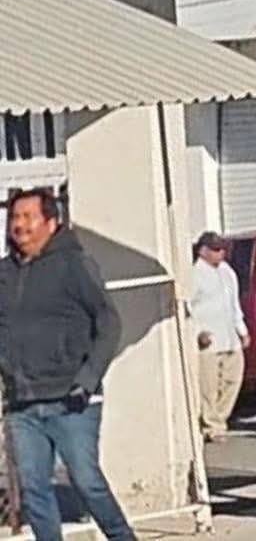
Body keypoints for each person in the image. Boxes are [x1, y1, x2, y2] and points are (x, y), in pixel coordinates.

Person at [0, 189, 135, 541]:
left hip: (72, 398)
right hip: (22, 402)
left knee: (86, 481)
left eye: (28, 217)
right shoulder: (4, 273)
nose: (19, 225)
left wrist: (88, 378)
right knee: (34, 489)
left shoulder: (74, 264)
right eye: (14, 217)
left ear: (51, 222)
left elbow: (108, 322)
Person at [190, 231, 249, 443]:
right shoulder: (194, 274)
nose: (220, 253)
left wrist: (242, 330)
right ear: (203, 250)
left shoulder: (227, 272)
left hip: (230, 336)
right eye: (215, 249)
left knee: (232, 380)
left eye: (222, 249)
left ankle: (220, 418)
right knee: (209, 386)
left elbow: (234, 304)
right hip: (209, 339)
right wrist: (197, 333)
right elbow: (187, 309)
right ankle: (212, 426)